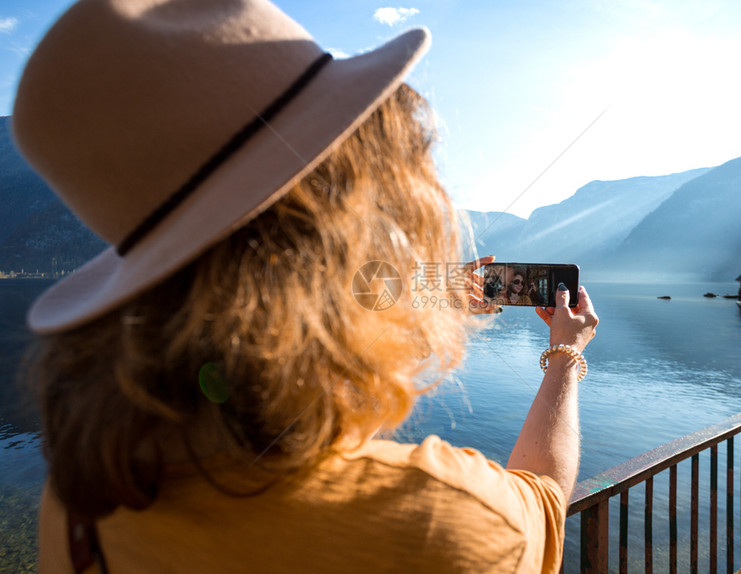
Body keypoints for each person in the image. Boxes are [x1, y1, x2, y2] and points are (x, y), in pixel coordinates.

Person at [15, 1, 598, 573]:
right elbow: (543, 504)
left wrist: (434, 293)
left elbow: (272, 307)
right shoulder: (438, 522)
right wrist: (565, 358)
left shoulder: (80, 502)